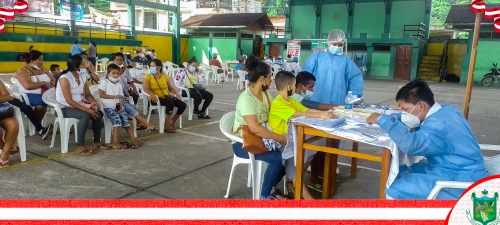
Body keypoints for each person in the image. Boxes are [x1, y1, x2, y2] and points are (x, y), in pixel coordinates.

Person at [366, 79, 490, 199]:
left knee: (395, 186)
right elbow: (411, 121)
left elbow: (411, 144)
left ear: (421, 106)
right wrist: (394, 118)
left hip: (460, 177)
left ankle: (394, 218)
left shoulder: (437, 124)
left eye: (405, 109)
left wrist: (381, 120)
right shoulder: (444, 113)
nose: (404, 113)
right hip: (450, 167)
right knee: (397, 172)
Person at [268, 71, 338, 200]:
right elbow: (297, 114)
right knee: (295, 171)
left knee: (308, 152)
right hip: (281, 143)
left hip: (290, 140)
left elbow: (305, 110)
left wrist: (325, 113)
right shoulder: (278, 103)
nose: (296, 88)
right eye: (295, 85)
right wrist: (320, 115)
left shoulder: (289, 100)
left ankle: (295, 183)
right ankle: (308, 201)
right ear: (289, 86)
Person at [232, 55, 287, 200]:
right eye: (270, 77)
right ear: (262, 79)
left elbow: (275, 114)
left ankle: (271, 187)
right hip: (243, 143)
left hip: (262, 139)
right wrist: (281, 138)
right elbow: (254, 128)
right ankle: (264, 197)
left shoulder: (266, 94)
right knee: (278, 159)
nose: (271, 80)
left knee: (288, 155)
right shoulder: (246, 99)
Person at [56, 55, 109, 156]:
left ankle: (97, 142)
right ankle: (80, 146)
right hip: (64, 108)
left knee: (97, 113)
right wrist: (87, 110)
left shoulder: (81, 76)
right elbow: (69, 100)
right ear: (76, 66)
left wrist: (94, 103)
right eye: (84, 63)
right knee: (84, 115)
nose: (86, 65)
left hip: (78, 104)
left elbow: (88, 95)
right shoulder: (65, 78)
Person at [302, 29, 363, 105]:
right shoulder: (317, 56)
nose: (337, 47)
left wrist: (354, 94)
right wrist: (304, 91)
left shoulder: (346, 60)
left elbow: (355, 76)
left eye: (340, 45)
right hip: (316, 99)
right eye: (334, 44)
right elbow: (305, 75)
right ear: (328, 42)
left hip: (338, 100)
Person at [99, 64, 140, 149]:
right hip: (108, 108)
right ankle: (115, 143)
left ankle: (134, 140)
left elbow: (121, 98)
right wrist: (113, 97)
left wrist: (120, 107)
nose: (115, 75)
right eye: (113, 73)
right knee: (117, 121)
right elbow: (101, 95)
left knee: (126, 122)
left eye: (117, 73)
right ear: (108, 74)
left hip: (118, 107)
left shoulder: (119, 85)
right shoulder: (104, 82)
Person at [143, 59, 186, 133]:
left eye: (153, 66)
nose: (151, 68)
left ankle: (173, 120)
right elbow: (146, 89)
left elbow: (170, 88)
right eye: (150, 66)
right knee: (170, 103)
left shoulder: (165, 76)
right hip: (155, 98)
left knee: (182, 105)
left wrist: (176, 93)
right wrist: (152, 95)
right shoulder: (147, 76)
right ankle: (166, 125)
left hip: (166, 96)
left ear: (159, 67)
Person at [14, 50, 56, 126]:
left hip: (46, 92)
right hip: (30, 94)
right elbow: (27, 86)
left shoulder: (43, 69)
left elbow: (53, 79)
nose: (42, 62)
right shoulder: (23, 71)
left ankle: (61, 123)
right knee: (41, 105)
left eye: (42, 60)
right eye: (39, 60)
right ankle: (38, 126)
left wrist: (53, 82)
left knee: (63, 100)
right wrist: (43, 83)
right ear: (32, 61)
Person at [0, 81, 20, 168]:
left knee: (13, 123)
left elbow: (8, 96)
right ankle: (7, 147)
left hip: (2, 112)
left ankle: (5, 153)